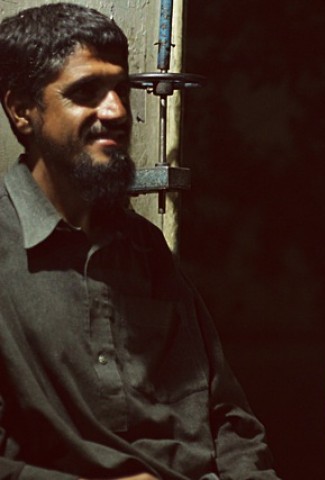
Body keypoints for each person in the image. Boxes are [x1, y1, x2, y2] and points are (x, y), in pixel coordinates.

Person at [0, 3, 280, 479]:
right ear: (23, 111)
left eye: (121, 89)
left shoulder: (143, 247)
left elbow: (229, 417)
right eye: (86, 92)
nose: (117, 111)